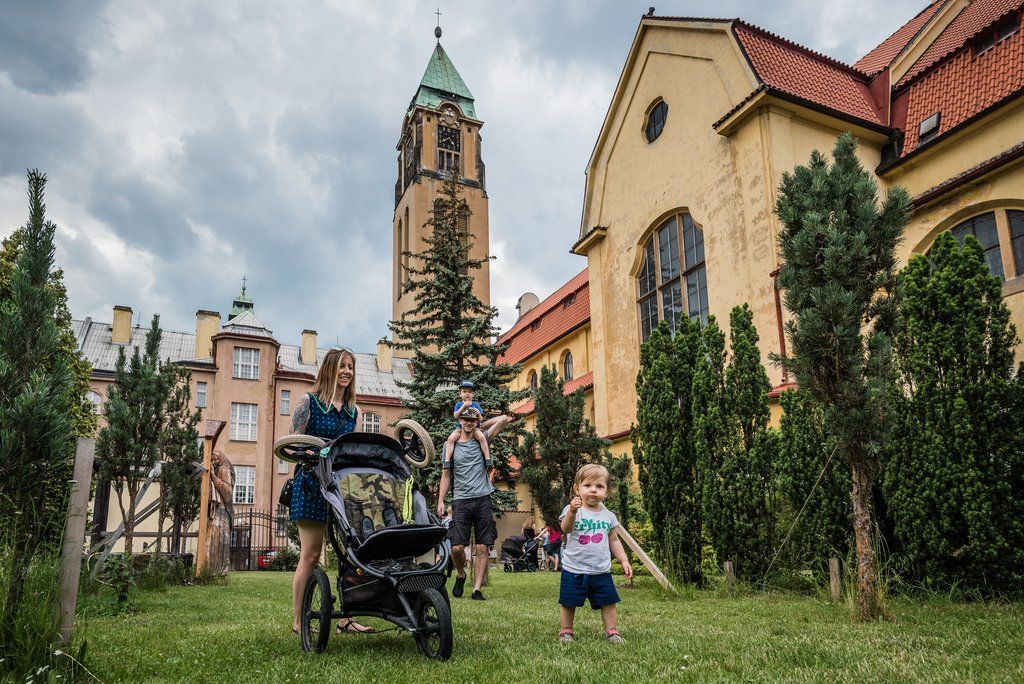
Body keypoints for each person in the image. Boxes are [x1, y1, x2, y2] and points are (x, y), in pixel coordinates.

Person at [288, 347, 373, 635]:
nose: (347, 371)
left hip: (342, 487)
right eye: (342, 366)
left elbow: (353, 450)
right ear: (329, 369)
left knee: (352, 552)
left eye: (350, 366)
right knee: (311, 554)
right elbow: (294, 445)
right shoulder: (308, 402)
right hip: (311, 483)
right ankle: (299, 622)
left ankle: (346, 619)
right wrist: (316, 450)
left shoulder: (354, 411)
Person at [557, 463, 633, 644]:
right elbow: (565, 529)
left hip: (601, 570)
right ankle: (566, 630)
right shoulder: (572, 510)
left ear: (606, 491)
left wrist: (623, 560)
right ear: (577, 488)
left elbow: (613, 540)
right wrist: (573, 512)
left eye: (599, 486)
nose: (593, 490)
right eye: (587, 486)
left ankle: (612, 631)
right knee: (569, 601)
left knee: (608, 601)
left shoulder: (608, 516)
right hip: (573, 569)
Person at [437, 408, 497, 601]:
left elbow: (504, 419)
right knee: (456, 548)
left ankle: (477, 589)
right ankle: (461, 575)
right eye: (466, 419)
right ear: (460, 420)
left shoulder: (482, 439)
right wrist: (441, 500)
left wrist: (482, 422)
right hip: (460, 500)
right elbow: (446, 475)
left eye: (472, 420)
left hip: (482, 498)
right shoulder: (450, 443)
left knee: (482, 547)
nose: (469, 423)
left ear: (475, 421)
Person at [441, 380, 510, 468]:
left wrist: (478, 414)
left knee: (481, 437)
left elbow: (480, 420)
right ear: (460, 394)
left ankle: (487, 458)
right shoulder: (459, 404)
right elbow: (455, 416)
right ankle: (447, 460)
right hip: (459, 429)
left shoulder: (475, 405)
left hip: (475, 428)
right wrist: (463, 407)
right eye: (464, 391)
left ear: (473, 394)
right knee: (451, 439)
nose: (467, 394)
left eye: (469, 392)